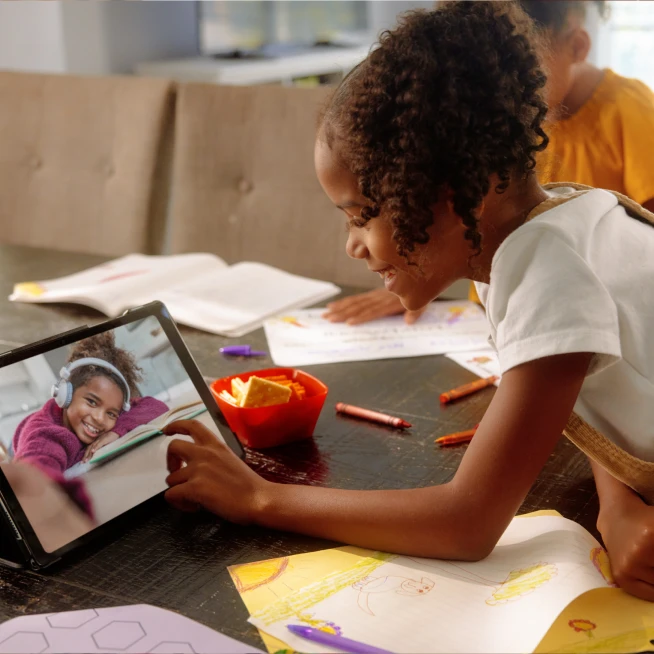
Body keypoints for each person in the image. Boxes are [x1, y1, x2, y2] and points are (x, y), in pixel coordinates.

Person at [162, 2, 654, 601]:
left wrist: (258, 496)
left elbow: (466, 523)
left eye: (363, 215)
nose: (352, 247)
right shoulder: (568, 218)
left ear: (451, 197)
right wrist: (617, 505)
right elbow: (618, 389)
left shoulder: (545, 271)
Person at [323, 0, 654, 322]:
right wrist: (418, 274)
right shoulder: (484, 133)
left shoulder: (625, 113)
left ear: (577, 46)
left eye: (505, 68)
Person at [12, 332, 168, 517]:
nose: (100, 418)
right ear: (65, 394)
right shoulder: (44, 434)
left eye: (111, 413)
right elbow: (37, 475)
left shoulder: (108, 420)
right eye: (92, 402)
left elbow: (155, 406)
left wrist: (117, 431)